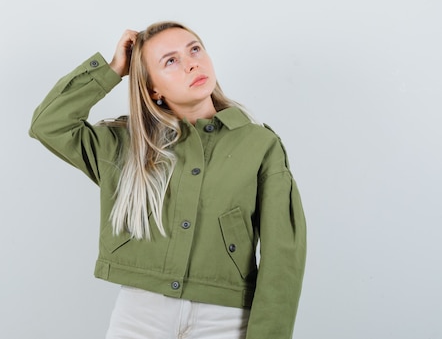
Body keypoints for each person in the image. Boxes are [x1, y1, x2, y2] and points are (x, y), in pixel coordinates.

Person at [29, 21, 306, 339]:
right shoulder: (124, 144)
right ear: (153, 90)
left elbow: (284, 253)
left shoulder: (259, 144)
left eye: (195, 49)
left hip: (226, 316)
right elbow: (48, 125)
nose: (192, 63)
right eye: (170, 61)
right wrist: (112, 70)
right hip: (140, 314)